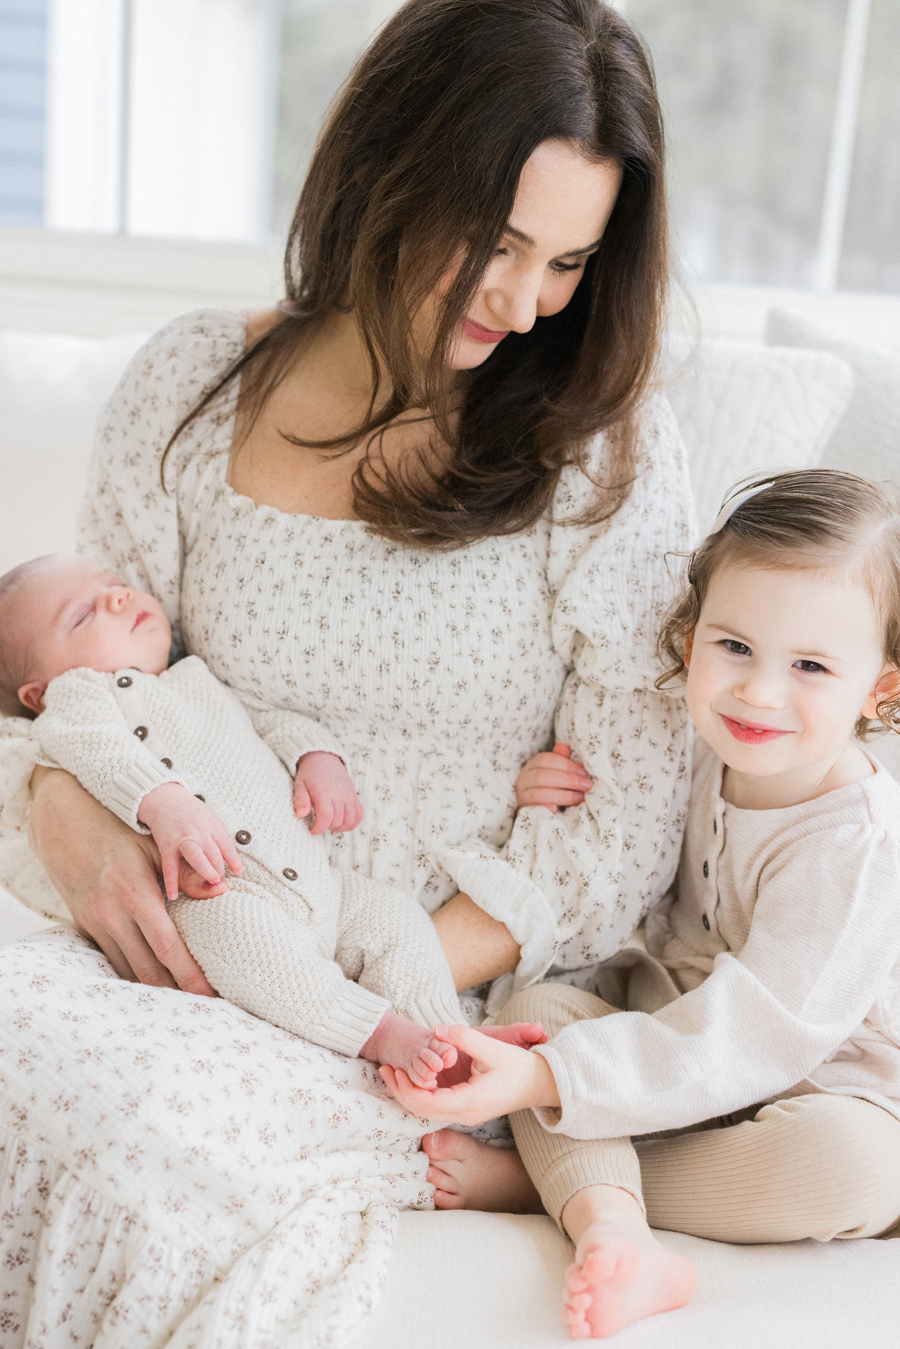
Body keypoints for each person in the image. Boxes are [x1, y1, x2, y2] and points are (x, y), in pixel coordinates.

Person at [0, 0, 694, 1337]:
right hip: (185, 928)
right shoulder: (195, 388)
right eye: (493, 243)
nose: (523, 301)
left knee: (145, 1150)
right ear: (384, 175)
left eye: (566, 260)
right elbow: (81, 673)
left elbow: (620, 838)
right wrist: (72, 816)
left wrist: (347, 986)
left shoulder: (605, 452)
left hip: (420, 978)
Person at [381, 470, 900, 1340]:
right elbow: (615, 843)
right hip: (672, 1016)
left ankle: (565, 1184)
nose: (759, 693)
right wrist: (541, 797)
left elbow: (760, 1032)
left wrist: (549, 1083)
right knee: (539, 1005)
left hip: (821, 1079)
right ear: (691, 638)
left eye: (810, 666)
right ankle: (610, 1219)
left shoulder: (855, 840)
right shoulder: (688, 744)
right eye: (735, 647)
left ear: (878, 692)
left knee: (860, 1171)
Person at [0, 552, 546, 1085]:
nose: (117, 597)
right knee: (255, 956)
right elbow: (86, 746)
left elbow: (269, 721)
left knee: (398, 923)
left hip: (320, 882)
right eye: (83, 614)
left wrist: (317, 759)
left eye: (112, 584)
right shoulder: (78, 699)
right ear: (40, 692)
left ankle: (447, 1038)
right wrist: (159, 798)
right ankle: (382, 1034)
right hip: (220, 893)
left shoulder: (195, 676)